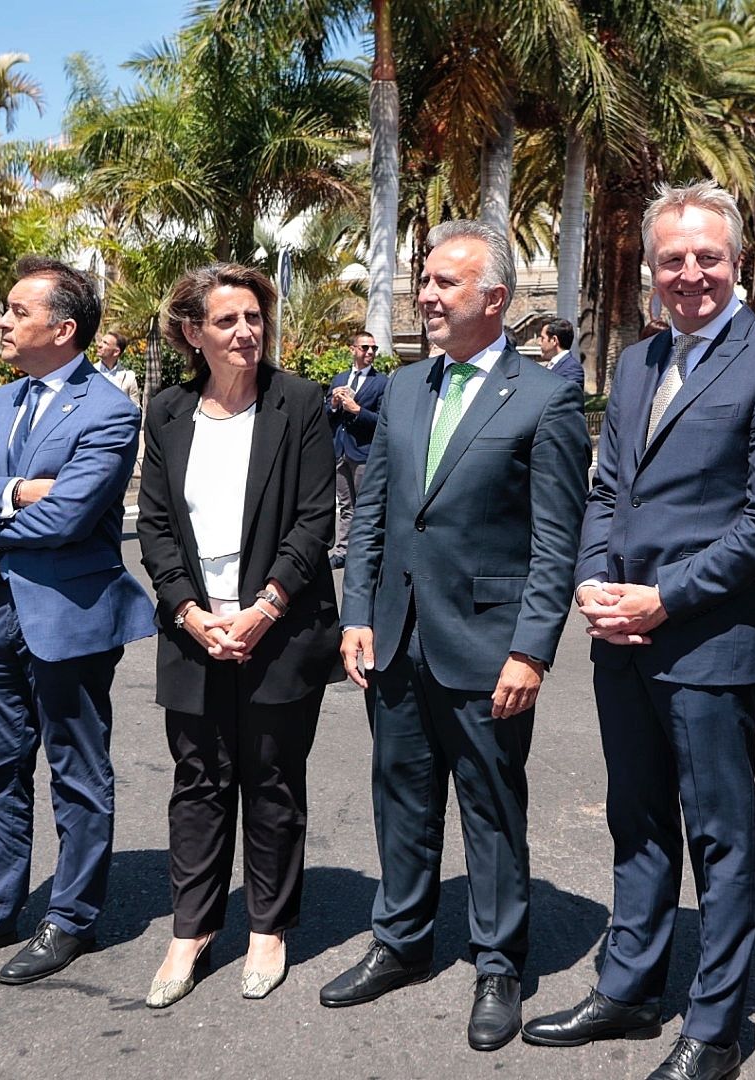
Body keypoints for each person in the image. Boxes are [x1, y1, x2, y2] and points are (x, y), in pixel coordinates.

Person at [523, 180, 755, 1080]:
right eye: (670, 259)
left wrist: (663, 597)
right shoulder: (640, 361)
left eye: (706, 256)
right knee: (637, 819)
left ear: (737, 262)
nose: (688, 273)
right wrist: (590, 580)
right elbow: (607, 488)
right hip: (623, 632)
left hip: (710, 641)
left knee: (719, 837)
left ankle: (716, 1026)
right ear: (651, 270)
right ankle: (628, 989)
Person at [320, 220, 589, 1054]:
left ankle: (499, 963)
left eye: (443, 283)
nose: (424, 295)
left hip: (487, 647)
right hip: (396, 638)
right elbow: (373, 516)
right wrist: (356, 613)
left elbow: (556, 540)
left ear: (496, 299)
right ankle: (400, 942)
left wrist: (532, 649)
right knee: (399, 796)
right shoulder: (402, 388)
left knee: (491, 806)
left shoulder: (546, 397)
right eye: (424, 280)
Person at [0, 257, 154, 983]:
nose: (3, 321)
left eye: (17, 311)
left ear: (63, 327)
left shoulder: (110, 410)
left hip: (70, 617)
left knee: (77, 771)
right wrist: (20, 490)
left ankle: (69, 919)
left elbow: (71, 517)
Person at [134, 263, 339, 1008]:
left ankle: (267, 927)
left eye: (254, 317)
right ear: (194, 333)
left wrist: (264, 608)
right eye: (228, 321)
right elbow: (154, 526)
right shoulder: (165, 413)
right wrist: (191, 613)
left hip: (278, 630)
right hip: (194, 630)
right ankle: (190, 930)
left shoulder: (301, 404)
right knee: (199, 782)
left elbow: (317, 518)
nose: (247, 332)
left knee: (273, 781)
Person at [328, 331, 386, 570]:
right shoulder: (340, 379)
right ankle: (342, 550)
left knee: (366, 505)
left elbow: (383, 420)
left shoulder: (381, 382)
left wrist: (357, 410)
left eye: (373, 349)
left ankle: (367, 552)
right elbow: (327, 417)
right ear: (353, 349)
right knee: (346, 506)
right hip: (341, 451)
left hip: (363, 453)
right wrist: (332, 405)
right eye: (364, 348)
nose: (370, 352)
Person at [93, 331, 141, 405]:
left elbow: (135, 409)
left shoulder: (128, 378)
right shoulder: (90, 372)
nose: (99, 345)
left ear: (116, 352)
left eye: (105, 343)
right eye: (101, 341)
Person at [536, 317, 586, 388]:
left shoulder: (572, 369)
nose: (539, 343)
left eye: (543, 338)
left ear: (554, 340)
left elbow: (569, 396)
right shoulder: (551, 365)